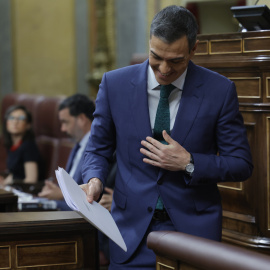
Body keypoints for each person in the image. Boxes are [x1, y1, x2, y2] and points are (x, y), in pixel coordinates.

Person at [80, 5, 253, 270]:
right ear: (149, 43)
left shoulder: (220, 90)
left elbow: (241, 163)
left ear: (193, 50)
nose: (163, 69)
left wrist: (189, 162)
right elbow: (97, 149)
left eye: (175, 60)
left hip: (194, 235)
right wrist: (94, 180)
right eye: (156, 56)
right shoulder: (114, 85)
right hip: (129, 235)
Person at [38, 93, 95, 211]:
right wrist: (55, 190)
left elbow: (92, 195)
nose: (63, 129)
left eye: (65, 122)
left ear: (81, 119)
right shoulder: (78, 145)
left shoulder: (97, 149)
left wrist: (60, 194)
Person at [0, 104, 42, 186]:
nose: (15, 122)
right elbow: (16, 174)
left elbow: (31, 180)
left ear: (28, 125)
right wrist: (3, 183)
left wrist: (9, 184)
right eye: (11, 118)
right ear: (6, 123)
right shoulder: (13, 146)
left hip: (26, 193)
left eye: (21, 118)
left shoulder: (28, 146)